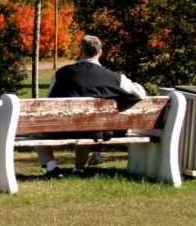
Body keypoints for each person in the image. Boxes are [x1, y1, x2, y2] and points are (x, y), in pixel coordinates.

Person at [38, 34, 146, 178]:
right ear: (100, 53)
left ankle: (52, 168)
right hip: (94, 131)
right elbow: (140, 93)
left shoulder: (61, 74)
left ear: (80, 51)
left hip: (63, 129)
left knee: (37, 131)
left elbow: (48, 103)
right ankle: (78, 169)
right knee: (87, 127)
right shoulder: (115, 78)